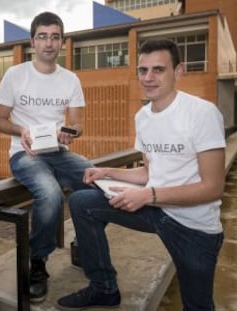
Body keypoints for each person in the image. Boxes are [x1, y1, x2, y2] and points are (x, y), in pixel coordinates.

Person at [57, 38, 226, 310]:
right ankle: (103, 288)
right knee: (81, 203)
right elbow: (150, 171)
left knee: (197, 305)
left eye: (158, 70)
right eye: (142, 70)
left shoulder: (202, 113)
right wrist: (107, 171)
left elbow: (213, 187)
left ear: (178, 71)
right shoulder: (143, 117)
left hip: (193, 226)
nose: (148, 78)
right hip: (155, 209)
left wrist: (148, 196)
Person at [0, 11, 93, 302]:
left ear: (62, 41)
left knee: (96, 179)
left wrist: (69, 132)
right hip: (25, 154)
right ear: (32, 41)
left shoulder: (70, 79)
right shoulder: (15, 74)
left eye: (55, 37)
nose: (49, 43)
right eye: (42, 36)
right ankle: (37, 262)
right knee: (49, 194)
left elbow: (78, 124)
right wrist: (20, 129)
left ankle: (82, 243)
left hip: (58, 151)